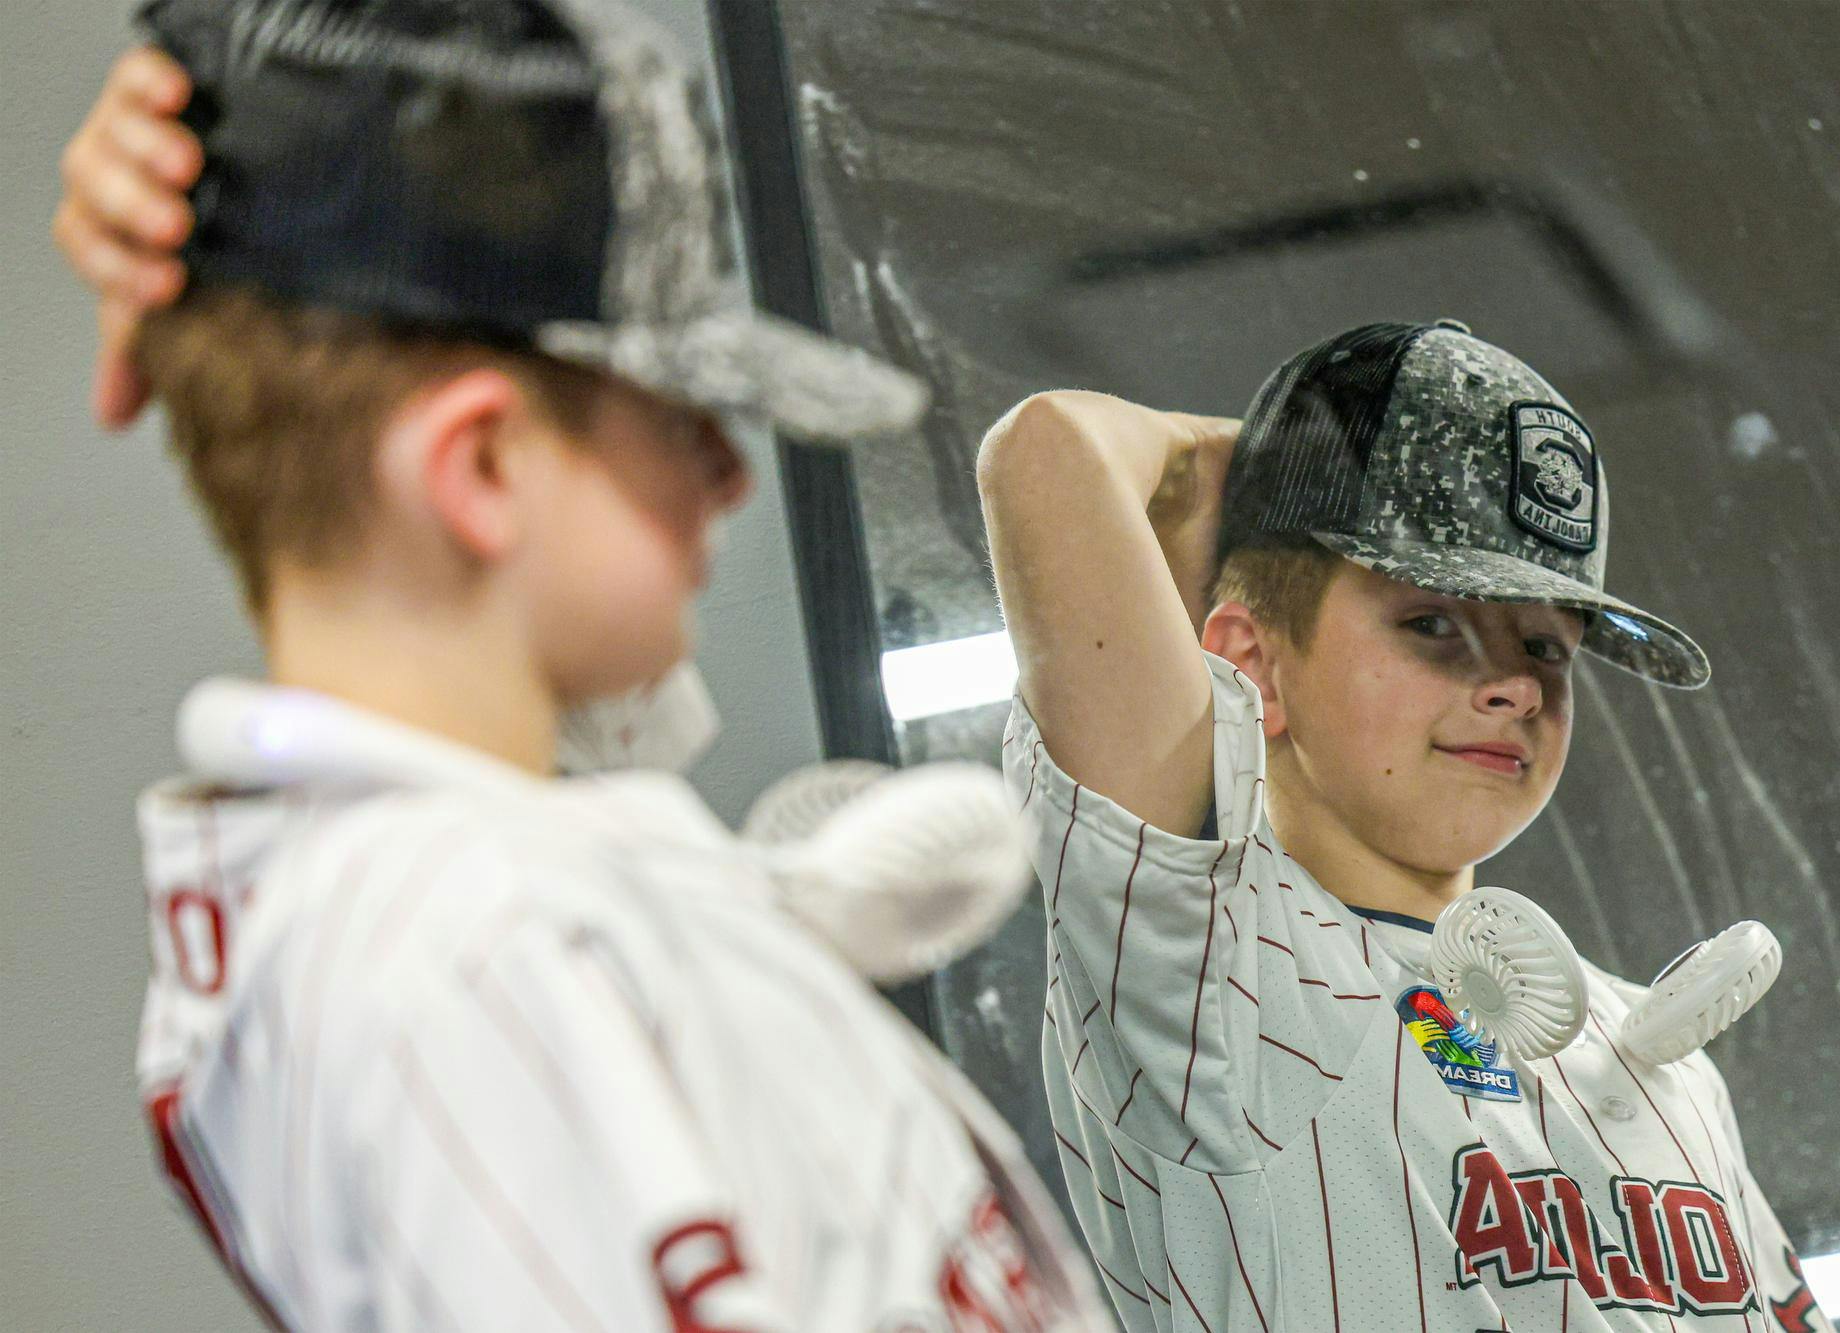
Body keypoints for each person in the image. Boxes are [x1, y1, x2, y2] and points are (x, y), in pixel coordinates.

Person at [52, 2, 1108, 1328]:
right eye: (682, 420)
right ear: (481, 469)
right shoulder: (476, 957)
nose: (728, 478)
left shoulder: (447, 899)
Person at [976, 339, 1834, 1329]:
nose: (1515, 684)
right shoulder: (1211, 973)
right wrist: (1265, 469)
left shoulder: (1657, 1052)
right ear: (1250, 665)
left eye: (1545, 644)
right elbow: (1047, 452)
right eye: (1433, 622)